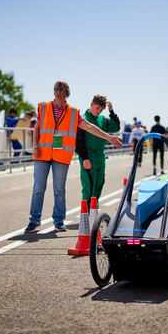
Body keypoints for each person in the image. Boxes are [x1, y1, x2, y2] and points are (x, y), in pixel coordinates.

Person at [25, 81, 122, 233]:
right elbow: (37, 126)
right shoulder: (44, 107)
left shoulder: (73, 112)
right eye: (56, 89)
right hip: (42, 152)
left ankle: (58, 221)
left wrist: (109, 138)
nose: (58, 92)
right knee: (38, 188)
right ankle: (34, 221)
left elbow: (89, 127)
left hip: (61, 154)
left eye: (62, 90)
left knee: (59, 190)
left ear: (67, 93)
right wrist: (35, 146)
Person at [75, 95, 120, 207]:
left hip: (100, 156)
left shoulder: (102, 120)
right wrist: (84, 157)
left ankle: (94, 212)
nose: (98, 111)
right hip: (88, 156)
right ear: (91, 104)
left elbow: (115, 128)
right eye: (97, 108)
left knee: (99, 184)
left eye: (101, 109)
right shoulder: (82, 119)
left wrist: (111, 112)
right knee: (89, 186)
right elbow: (79, 141)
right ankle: (85, 215)